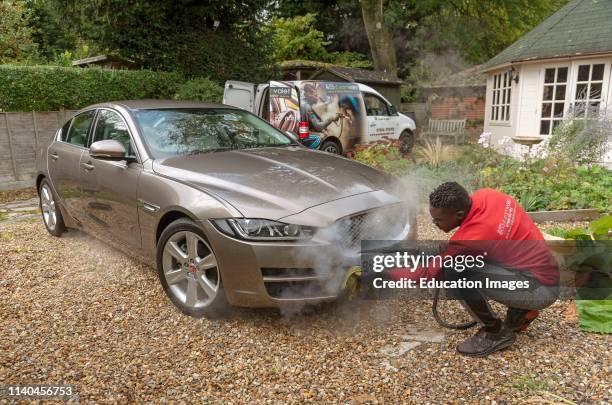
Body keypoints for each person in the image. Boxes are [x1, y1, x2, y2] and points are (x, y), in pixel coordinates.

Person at [380, 182, 560, 357]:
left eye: (439, 220)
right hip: (544, 275)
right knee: (460, 259)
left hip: (539, 290)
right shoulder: (487, 195)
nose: (434, 223)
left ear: (459, 214)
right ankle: (521, 310)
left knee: (454, 271)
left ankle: (495, 332)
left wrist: (385, 273)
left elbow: (427, 274)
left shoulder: (473, 237)